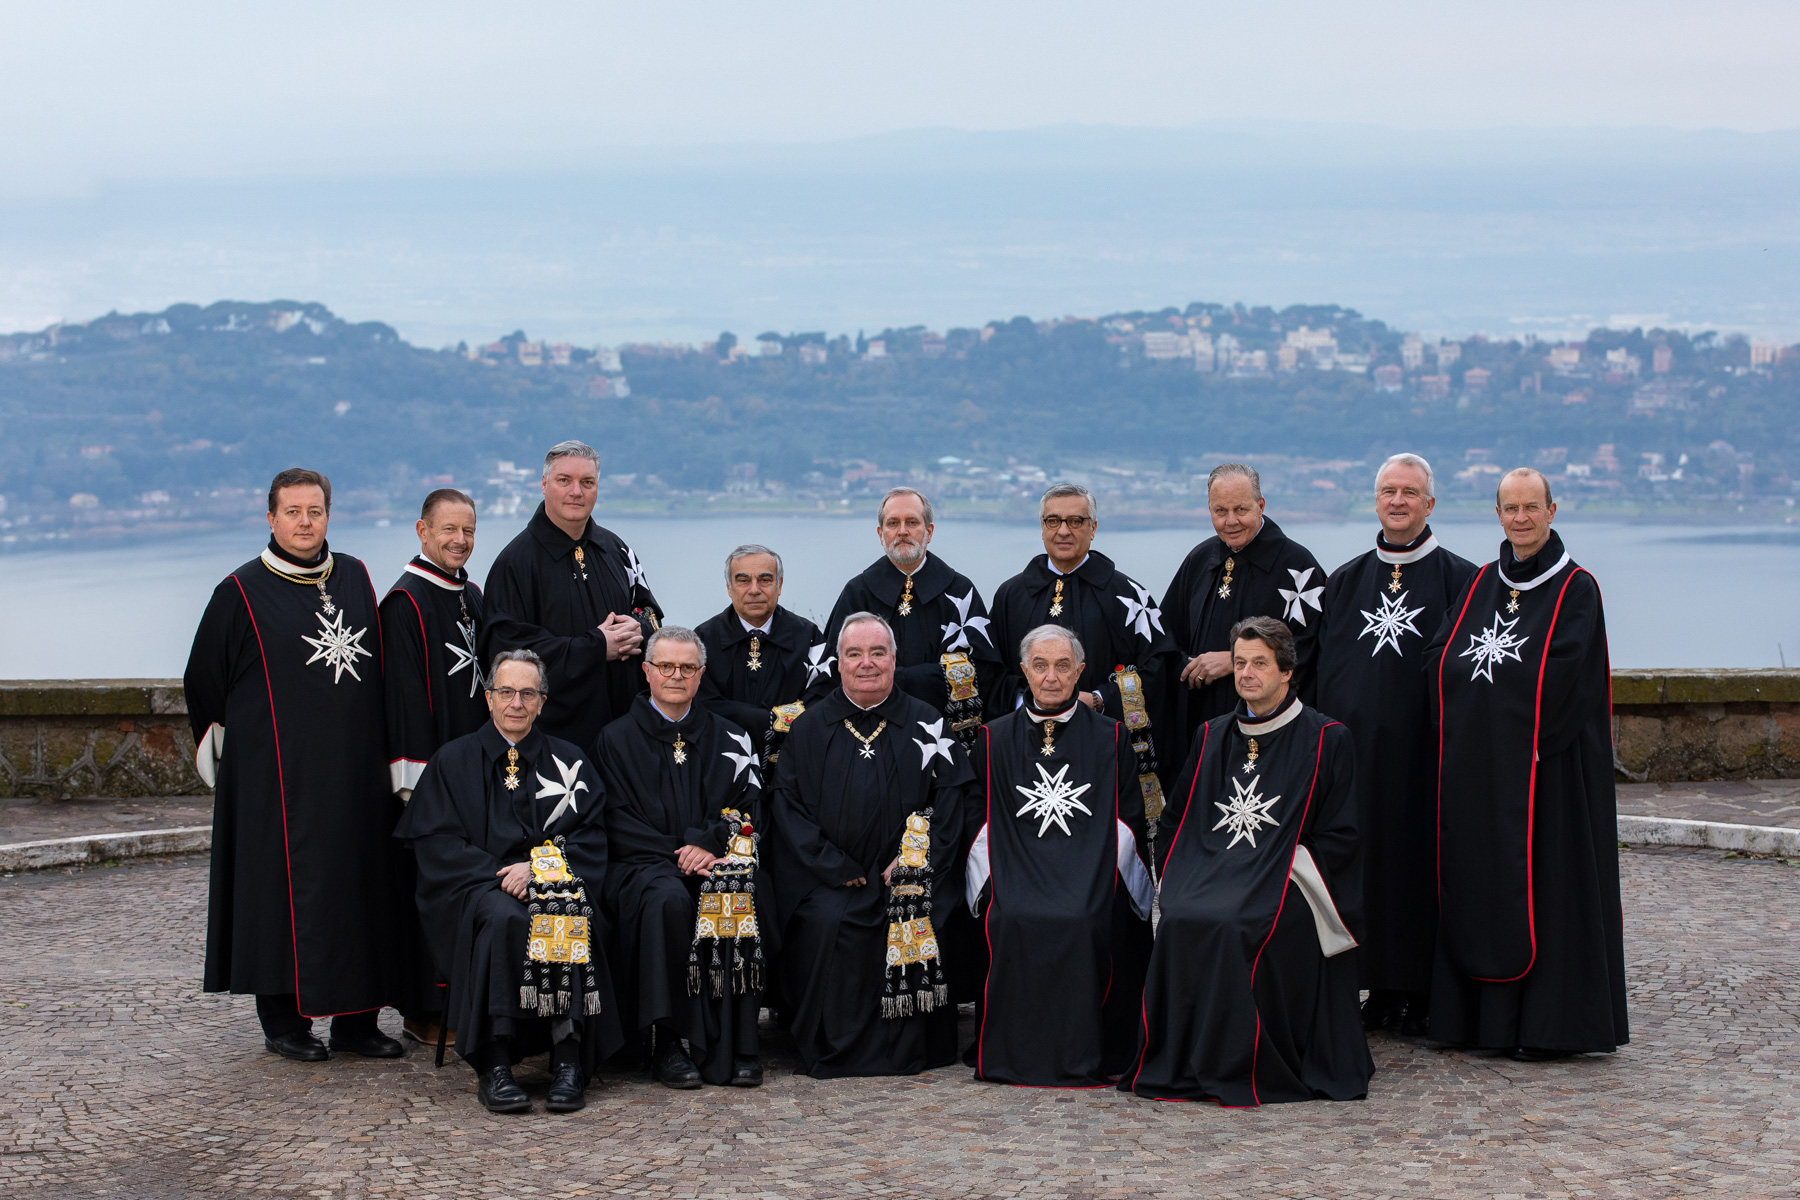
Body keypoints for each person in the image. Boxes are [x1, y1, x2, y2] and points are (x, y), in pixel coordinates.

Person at [183, 467, 405, 1063]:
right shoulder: (240, 591)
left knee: (361, 889)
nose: (305, 523)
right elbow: (203, 681)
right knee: (280, 896)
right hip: (276, 781)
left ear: (329, 515)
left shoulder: (355, 576)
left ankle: (358, 1022)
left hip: (356, 774)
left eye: (315, 511)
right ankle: (284, 1022)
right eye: (293, 512)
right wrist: (239, 762)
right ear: (271, 517)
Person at [1424, 468, 1627, 1062]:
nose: (1520, 518)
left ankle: (1547, 1025)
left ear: (1552, 510)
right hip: (1478, 773)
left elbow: (1567, 681)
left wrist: (1493, 702)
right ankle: (1476, 1022)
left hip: (1548, 777)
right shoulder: (1482, 581)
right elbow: (1441, 656)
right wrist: (1480, 697)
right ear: (1498, 513)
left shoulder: (1577, 590)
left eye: (1531, 508)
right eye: (1509, 508)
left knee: (1546, 894)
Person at [1125, 617, 1371, 1106]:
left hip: (1288, 880)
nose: (1247, 673)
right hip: (1212, 872)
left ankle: (1246, 1063)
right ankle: (1184, 1061)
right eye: (1239, 663)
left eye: (1260, 663)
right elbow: (1178, 820)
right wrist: (1178, 882)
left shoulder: (1327, 738)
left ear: (1287, 671)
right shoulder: (1212, 735)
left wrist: (1274, 870)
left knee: (1238, 922)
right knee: (1182, 918)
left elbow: (1340, 837)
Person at [394, 649, 623, 1113]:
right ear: (488, 697)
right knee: (504, 918)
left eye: (527, 693)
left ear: (542, 702)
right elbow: (437, 845)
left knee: (563, 911)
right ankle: (494, 1064)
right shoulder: (451, 761)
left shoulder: (570, 762)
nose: (516, 703)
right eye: (506, 692)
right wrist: (502, 877)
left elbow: (593, 838)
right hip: (479, 890)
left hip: (555, 885)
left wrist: (538, 870)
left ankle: (568, 1059)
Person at [767, 612, 974, 1078]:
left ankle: (910, 1049)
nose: (866, 664)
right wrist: (833, 865)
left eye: (877, 653)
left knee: (917, 914)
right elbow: (787, 808)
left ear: (895, 660)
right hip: (830, 877)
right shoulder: (808, 728)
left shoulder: (928, 723)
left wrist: (915, 859)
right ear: (837, 664)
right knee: (825, 922)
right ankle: (832, 1047)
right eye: (855, 654)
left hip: (910, 876)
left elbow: (952, 800)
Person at [1314, 454, 1476, 1037]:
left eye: (1410, 492)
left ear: (1430, 504)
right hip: (1355, 761)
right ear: (1376, 501)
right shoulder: (1345, 580)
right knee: (1367, 873)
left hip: (1424, 760)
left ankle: (1423, 990)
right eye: (1389, 491)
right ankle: (1377, 987)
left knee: (1419, 871)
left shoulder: (1463, 580)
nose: (1398, 501)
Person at [966, 625, 1153, 1087]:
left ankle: (1089, 1052)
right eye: (1041, 666)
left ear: (1080, 672)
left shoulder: (1112, 738)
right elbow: (978, 822)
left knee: (1084, 917)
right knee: (1010, 916)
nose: (1052, 677)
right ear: (1024, 671)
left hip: (1090, 872)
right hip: (1015, 870)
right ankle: (1012, 1054)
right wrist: (994, 884)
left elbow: (1127, 821)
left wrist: (1099, 882)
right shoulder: (992, 740)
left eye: (1063, 666)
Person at [597, 626, 767, 1089]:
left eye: (687, 668)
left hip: (715, 859)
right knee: (668, 900)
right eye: (666, 666)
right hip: (641, 866)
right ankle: (669, 1043)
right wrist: (680, 854)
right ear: (647, 671)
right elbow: (614, 818)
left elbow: (750, 806)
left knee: (740, 893)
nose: (676, 675)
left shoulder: (730, 736)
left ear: (701, 675)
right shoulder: (614, 739)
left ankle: (738, 1042)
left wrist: (709, 843)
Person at [989, 483, 1182, 828]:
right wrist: (1031, 702)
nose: (1063, 530)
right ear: (1042, 527)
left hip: (1104, 748)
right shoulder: (1010, 595)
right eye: (1053, 521)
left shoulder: (1128, 595)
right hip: (1026, 748)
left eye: (1076, 521)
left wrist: (1098, 699)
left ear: (1093, 529)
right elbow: (994, 673)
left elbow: (1159, 668)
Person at [382, 488, 490, 1044]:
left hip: (476, 767)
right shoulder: (406, 603)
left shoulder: (470, 593)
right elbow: (402, 697)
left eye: (468, 531)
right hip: (432, 778)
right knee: (431, 888)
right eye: (449, 529)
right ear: (422, 531)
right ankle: (425, 1011)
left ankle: (469, 1002)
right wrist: (417, 786)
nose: (460, 540)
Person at [481, 440, 663, 749]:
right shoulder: (514, 563)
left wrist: (638, 629)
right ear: (544, 484)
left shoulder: (618, 550)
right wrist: (595, 646)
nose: (576, 492)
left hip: (628, 737)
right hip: (553, 743)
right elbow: (505, 654)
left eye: (587, 482)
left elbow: (652, 615)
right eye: (564, 480)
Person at [811, 487, 1002, 755]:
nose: (903, 531)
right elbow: (833, 668)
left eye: (912, 522)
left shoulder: (960, 591)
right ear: (881, 534)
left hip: (945, 738)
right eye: (893, 523)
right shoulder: (858, 593)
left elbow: (986, 672)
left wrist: (898, 679)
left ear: (929, 532)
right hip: (865, 737)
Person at [1164, 463, 1327, 741]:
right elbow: (1167, 633)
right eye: (1220, 511)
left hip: (1272, 729)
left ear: (1260, 505)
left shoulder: (1299, 568)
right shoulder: (1199, 560)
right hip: (1200, 724)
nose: (1231, 521)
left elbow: (1311, 648)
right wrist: (1191, 668)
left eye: (1241, 510)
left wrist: (1235, 661)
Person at [693, 543, 827, 767]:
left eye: (765, 580)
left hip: (796, 762)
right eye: (743, 580)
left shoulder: (808, 637)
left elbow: (825, 697)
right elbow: (700, 703)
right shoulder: (703, 640)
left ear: (779, 585)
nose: (754, 589)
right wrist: (767, 719)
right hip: (722, 763)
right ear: (729, 587)